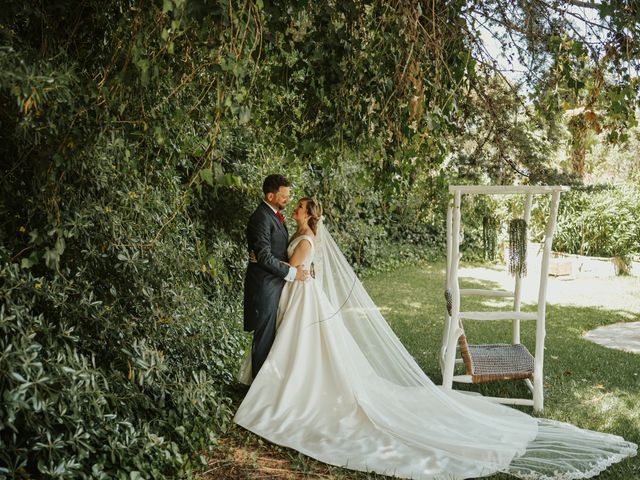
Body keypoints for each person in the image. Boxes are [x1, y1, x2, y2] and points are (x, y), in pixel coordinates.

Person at [235, 196, 636, 480]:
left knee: (308, 353)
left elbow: (293, 266)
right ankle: (282, 385)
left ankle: (289, 393)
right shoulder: (302, 234)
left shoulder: (305, 239)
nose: (294, 208)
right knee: (305, 351)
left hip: (303, 296)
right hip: (302, 296)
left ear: (307, 215)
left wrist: (273, 264)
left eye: (299, 206)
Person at [243, 174, 307, 379]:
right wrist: (292, 272)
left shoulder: (274, 215)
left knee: (273, 335)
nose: (287, 200)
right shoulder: (261, 217)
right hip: (265, 285)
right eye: (284, 196)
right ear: (270, 196)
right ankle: (258, 391)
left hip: (276, 282)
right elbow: (263, 256)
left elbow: (274, 253)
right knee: (264, 337)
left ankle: (267, 384)